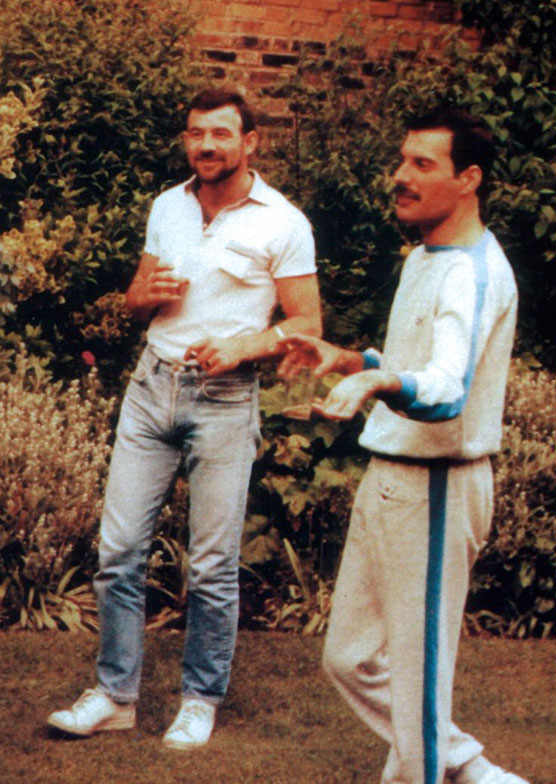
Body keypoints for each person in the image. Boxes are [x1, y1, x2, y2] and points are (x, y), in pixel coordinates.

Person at [48, 89, 322, 749]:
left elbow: (308, 325)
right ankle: (115, 696)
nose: (206, 145)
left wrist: (243, 347)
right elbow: (138, 302)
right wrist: (138, 296)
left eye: (220, 134)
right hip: (151, 390)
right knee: (118, 553)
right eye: (197, 133)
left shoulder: (284, 223)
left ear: (249, 141)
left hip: (224, 399)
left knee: (211, 565)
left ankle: (200, 700)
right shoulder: (167, 206)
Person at [279, 108, 527, 784]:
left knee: (418, 677)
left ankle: (433, 771)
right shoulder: (425, 257)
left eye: (422, 164)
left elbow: (446, 390)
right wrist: (349, 361)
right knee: (350, 658)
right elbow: (415, 364)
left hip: (437, 484)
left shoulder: (472, 272)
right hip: (391, 475)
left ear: (468, 178)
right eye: (402, 160)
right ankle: (470, 768)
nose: (400, 175)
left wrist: (376, 383)